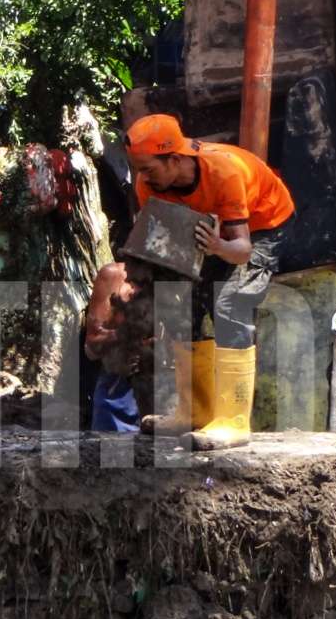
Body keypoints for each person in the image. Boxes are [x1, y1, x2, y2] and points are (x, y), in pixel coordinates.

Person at [125, 114, 295, 450]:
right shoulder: (150, 186)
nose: (141, 179)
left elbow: (242, 249)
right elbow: (166, 249)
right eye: (138, 169)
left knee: (230, 303)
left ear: (175, 159)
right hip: (210, 232)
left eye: (148, 169)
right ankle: (193, 412)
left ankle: (233, 421)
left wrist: (217, 246)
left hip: (262, 228)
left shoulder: (223, 173)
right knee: (179, 301)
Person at [84, 262, 140, 432]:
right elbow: (92, 347)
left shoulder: (179, 280)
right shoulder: (114, 276)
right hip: (120, 389)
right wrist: (122, 336)